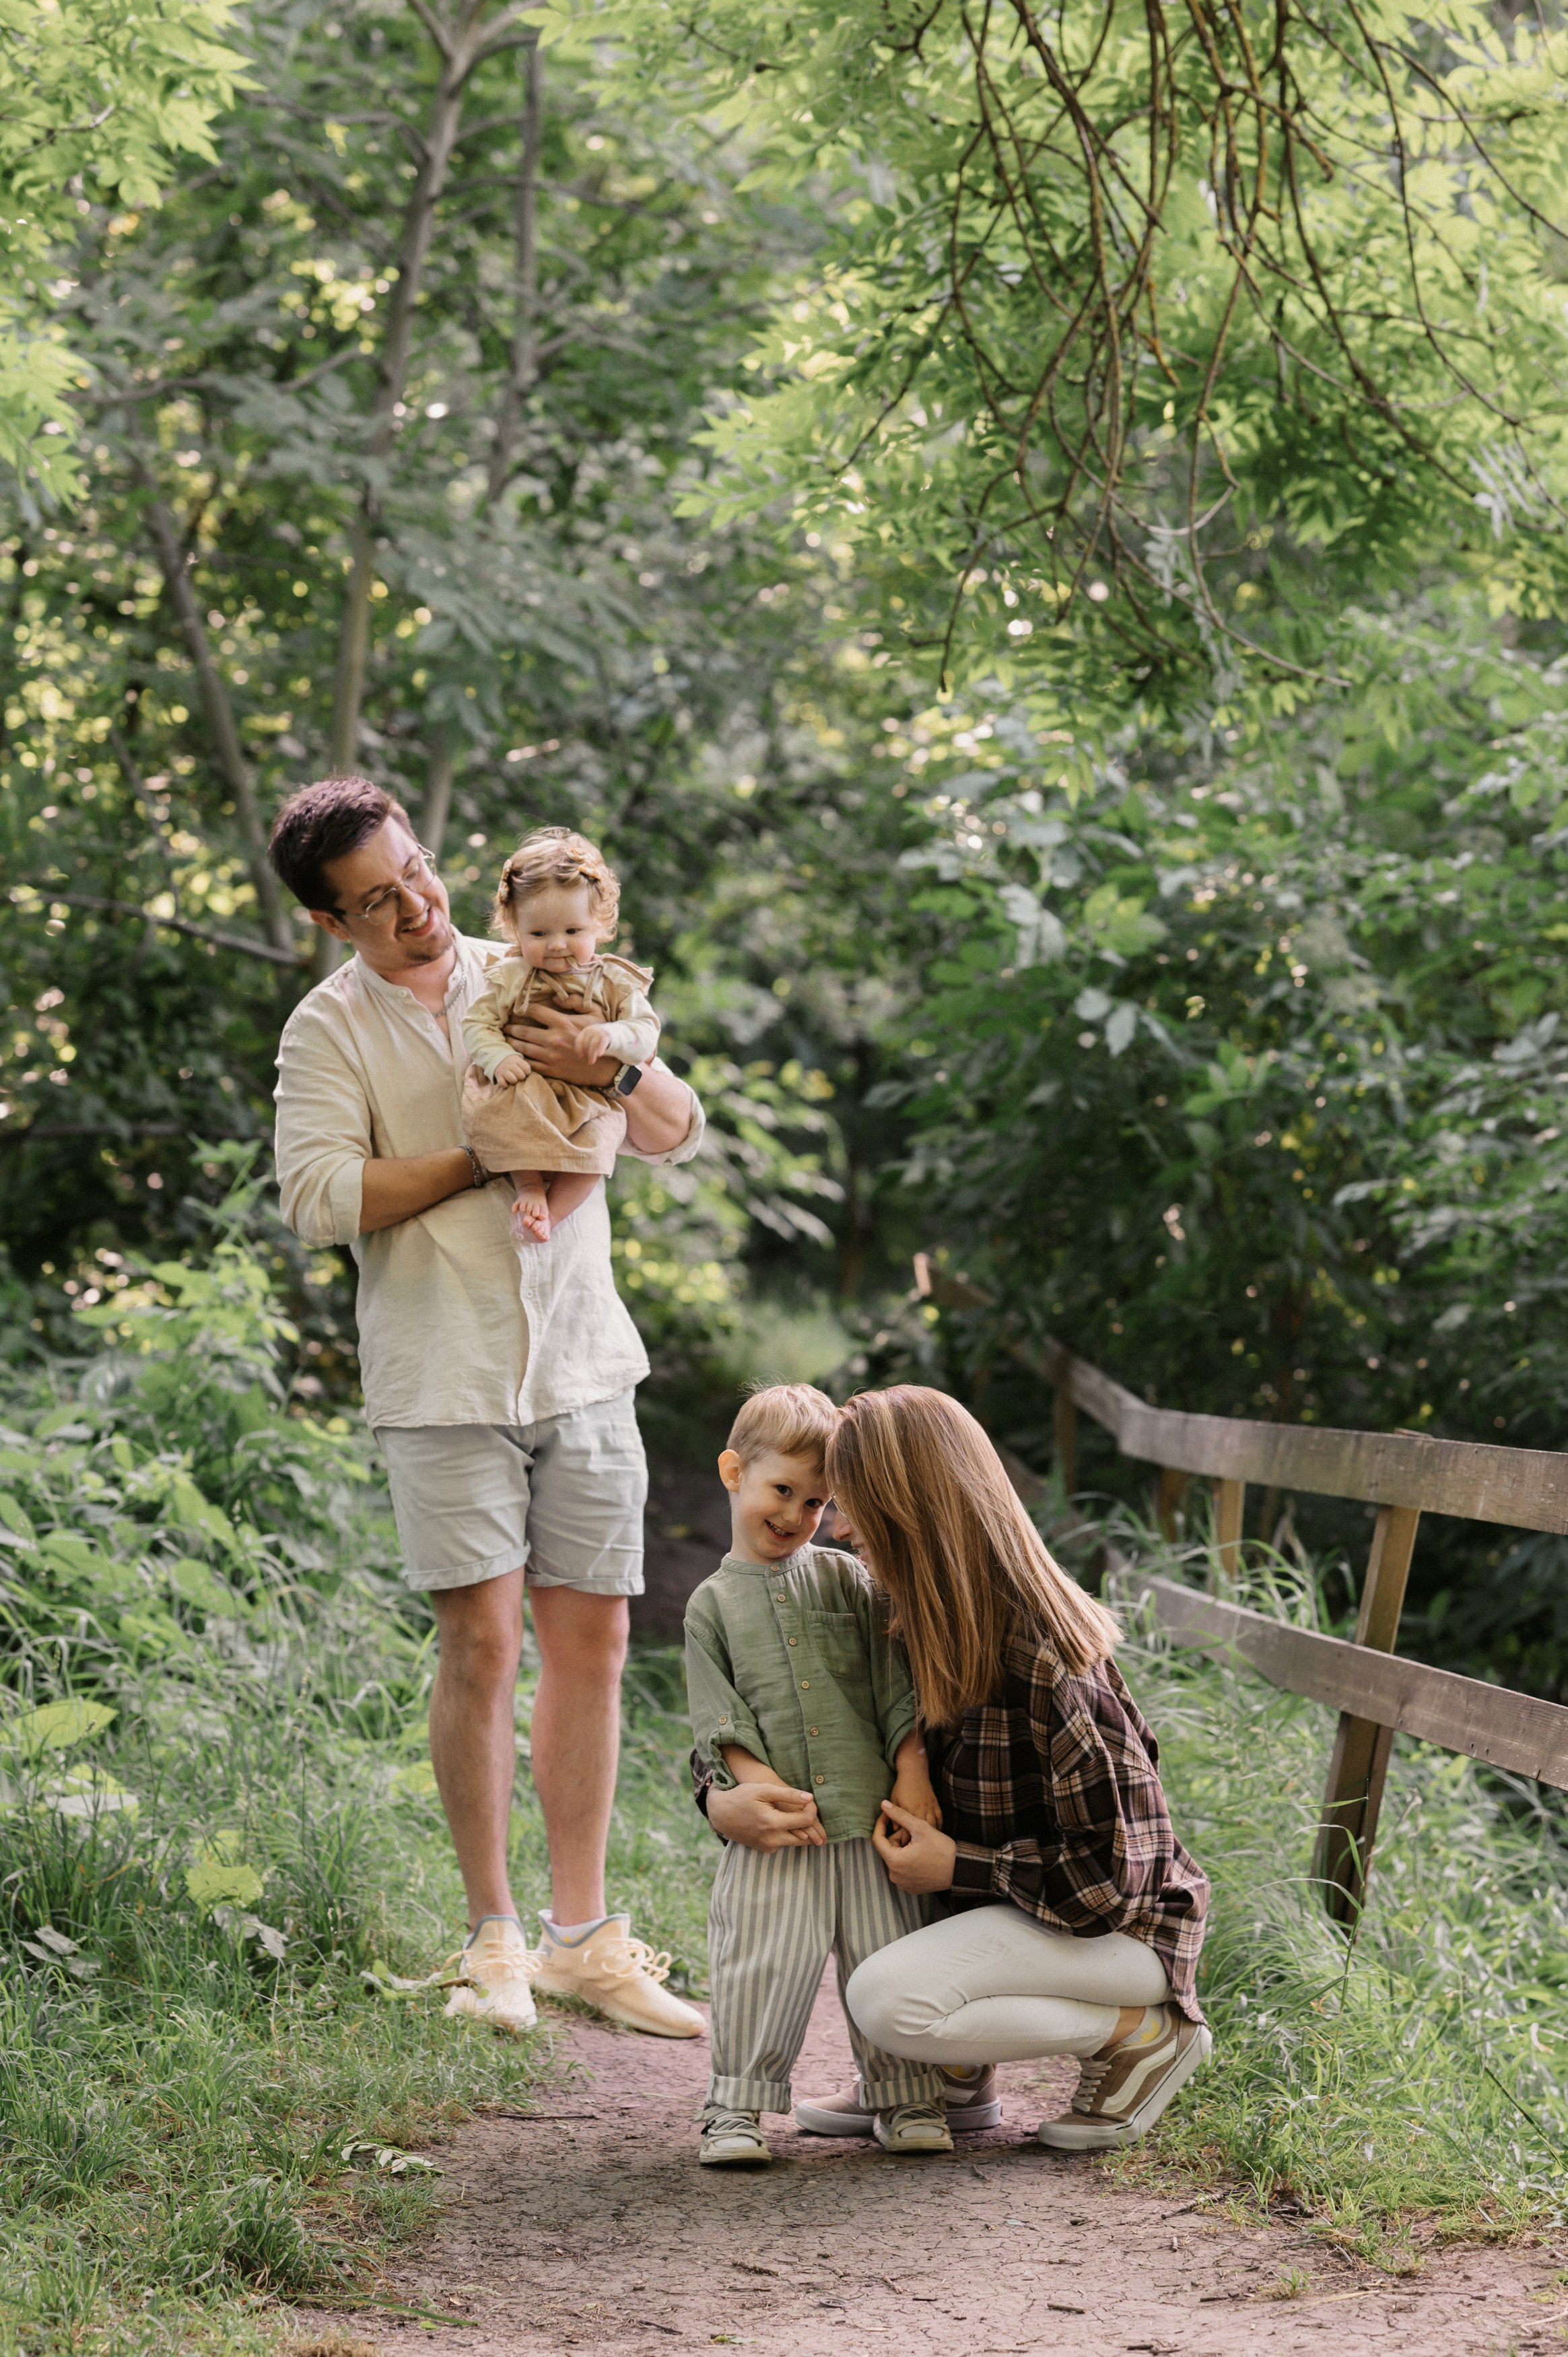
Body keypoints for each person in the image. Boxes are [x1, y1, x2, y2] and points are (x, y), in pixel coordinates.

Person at [269, 773, 704, 2041]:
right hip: (440, 1372)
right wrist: (488, 1157)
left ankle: (585, 1939)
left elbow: (675, 1122)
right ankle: (493, 1940)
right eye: (374, 903)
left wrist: (599, 1075)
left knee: (595, 1644)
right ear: (329, 923)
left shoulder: (534, 959)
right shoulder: (326, 1030)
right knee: (482, 1647)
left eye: (414, 874)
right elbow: (315, 1197)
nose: (413, 907)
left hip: (580, 1363)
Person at [706, 1386, 1211, 2151]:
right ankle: (951, 2071)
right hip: (1021, 1916)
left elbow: (1115, 1884)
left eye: (854, 1505)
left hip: (1123, 1939)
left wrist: (963, 1864)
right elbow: (778, 1706)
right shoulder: (900, 1616)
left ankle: (1138, 2032)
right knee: (884, 1955)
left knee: (884, 1998)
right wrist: (720, 1799)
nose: (835, 1526)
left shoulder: (1047, 1660)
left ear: (917, 1512)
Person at [684, 1384, 951, 2166]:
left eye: (817, 1501)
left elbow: (892, 1681)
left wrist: (911, 1765)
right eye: (784, 1491)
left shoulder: (848, 1581)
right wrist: (755, 1790)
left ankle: (906, 2095)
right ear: (735, 1471)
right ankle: (735, 2106)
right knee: (760, 1959)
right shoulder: (710, 1606)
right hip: (781, 1832)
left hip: (873, 1823)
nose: (799, 1515)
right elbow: (717, 1715)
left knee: (889, 1951)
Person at [461, 828, 661, 1247]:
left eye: (572, 932)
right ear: (515, 928)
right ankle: (530, 1186)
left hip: (589, 1099)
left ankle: (552, 1214)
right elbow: (476, 1025)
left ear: (600, 926)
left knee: (600, 1145)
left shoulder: (615, 983)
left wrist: (612, 1034)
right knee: (510, 1120)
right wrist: (497, 1057)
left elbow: (646, 1032)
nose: (556, 945)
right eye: (539, 934)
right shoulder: (511, 976)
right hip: (527, 1086)